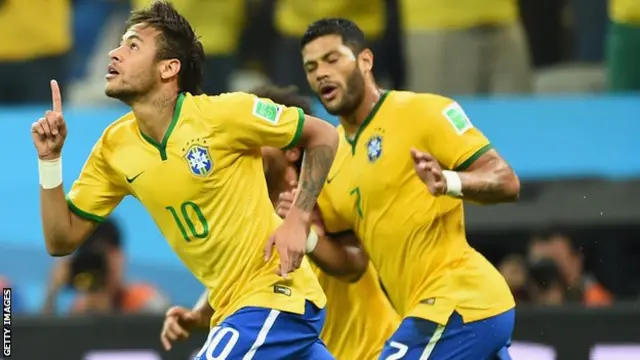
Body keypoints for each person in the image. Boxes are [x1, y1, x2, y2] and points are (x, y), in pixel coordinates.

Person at [30, 1, 338, 359]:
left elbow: (323, 136)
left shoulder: (223, 114)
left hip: (276, 298)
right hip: (237, 310)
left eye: (132, 45)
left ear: (169, 68)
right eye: (118, 44)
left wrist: (298, 219)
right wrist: (50, 161)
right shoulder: (114, 147)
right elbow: (61, 239)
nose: (114, 53)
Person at [277, 18, 521, 359]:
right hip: (436, 314)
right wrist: (310, 237)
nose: (321, 73)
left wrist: (449, 182)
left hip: (460, 301)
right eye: (311, 67)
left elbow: (505, 180)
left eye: (333, 59)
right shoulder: (329, 160)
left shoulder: (424, 112)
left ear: (365, 61)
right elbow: (354, 263)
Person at [160, 85, 400, 359]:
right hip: (305, 349)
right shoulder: (246, 211)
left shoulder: (325, 192)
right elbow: (242, 275)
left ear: (293, 150)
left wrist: (306, 235)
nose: (245, 146)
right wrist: (199, 314)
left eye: (258, 136)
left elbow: (355, 265)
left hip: (375, 351)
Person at [42, 218, 169, 315]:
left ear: (120, 257)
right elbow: (46, 341)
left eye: (101, 258)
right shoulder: (81, 307)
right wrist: (52, 292)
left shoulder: (146, 301)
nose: (96, 265)